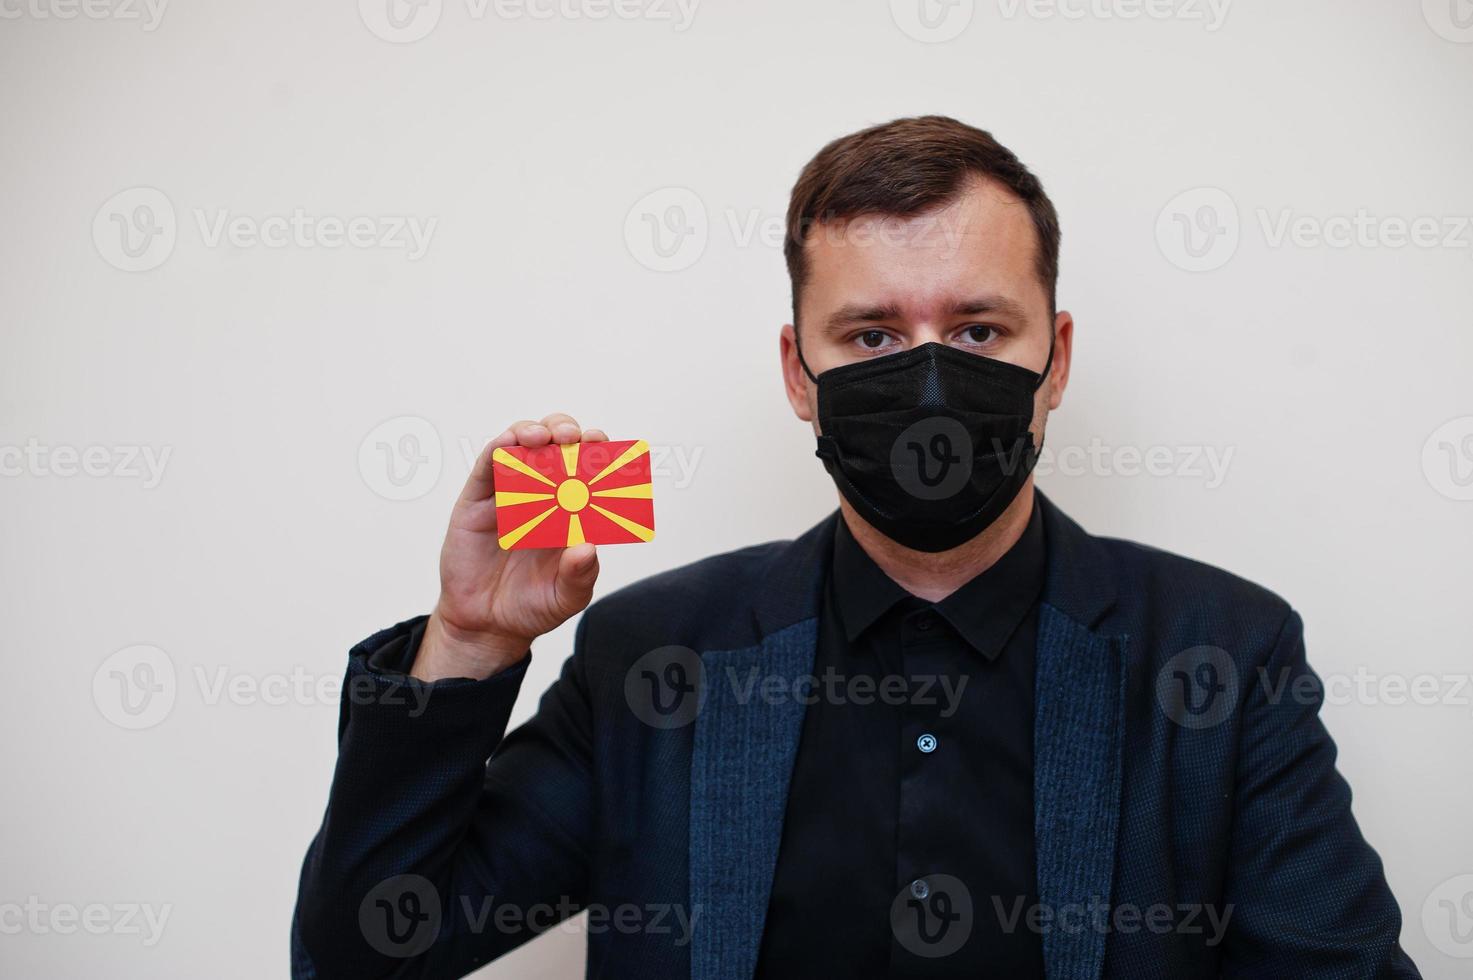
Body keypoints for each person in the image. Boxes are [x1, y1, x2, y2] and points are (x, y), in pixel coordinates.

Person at [292, 115, 1419, 978]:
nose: (930, 383)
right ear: (798, 371)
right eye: (872, 334)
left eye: (978, 329)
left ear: (1056, 357)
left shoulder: (1223, 652)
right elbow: (366, 952)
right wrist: (468, 639)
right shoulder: (652, 653)